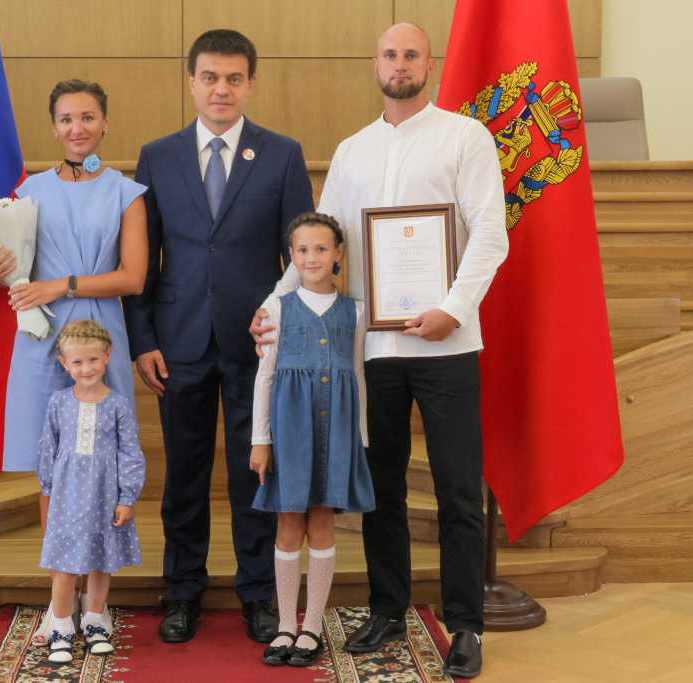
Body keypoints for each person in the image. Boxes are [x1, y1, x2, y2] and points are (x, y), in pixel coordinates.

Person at [251, 23, 508, 679]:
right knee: (381, 485)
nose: (400, 64)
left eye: (411, 54)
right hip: (369, 346)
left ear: (429, 63)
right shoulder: (353, 151)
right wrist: (273, 304)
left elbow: (490, 233)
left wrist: (454, 307)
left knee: (457, 487)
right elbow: (319, 242)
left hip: (448, 340)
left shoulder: (466, 137)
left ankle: (466, 624)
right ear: (376, 64)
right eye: (390, 55)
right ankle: (389, 607)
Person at [122, 29, 315, 644]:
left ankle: (258, 594)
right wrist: (142, 340)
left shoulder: (282, 155)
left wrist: (281, 322)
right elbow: (142, 259)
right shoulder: (158, 156)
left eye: (234, 78)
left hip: (257, 345)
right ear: (192, 82)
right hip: (176, 343)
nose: (221, 89)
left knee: (254, 472)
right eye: (210, 77)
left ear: (251, 84)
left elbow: (300, 255)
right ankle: (181, 592)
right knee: (183, 477)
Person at [0, 79, 147, 643]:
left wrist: (61, 285)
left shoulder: (127, 192)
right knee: (52, 469)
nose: (77, 128)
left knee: (103, 466)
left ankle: (97, 606)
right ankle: (60, 604)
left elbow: (133, 277)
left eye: (88, 117)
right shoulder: (28, 191)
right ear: (54, 127)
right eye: (67, 118)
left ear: (105, 122)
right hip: (41, 337)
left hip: (98, 332)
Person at [248, 212, 374, 667]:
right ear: (290, 256)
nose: (312, 257)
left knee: (322, 523)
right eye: (302, 250)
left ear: (338, 253)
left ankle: (312, 627)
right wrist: (260, 439)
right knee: (288, 525)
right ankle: (286, 623)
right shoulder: (277, 309)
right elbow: (265, 376)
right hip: (290, 433)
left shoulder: (355, 312)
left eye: (321, 249)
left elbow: (357, 375)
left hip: (336, 432)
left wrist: (359, 438)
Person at [35, 319, 146, 665]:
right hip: (67, 498)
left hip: (104, 497)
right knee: (65, 566)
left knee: (100, 563)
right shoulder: (58, 402)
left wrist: (127, 497)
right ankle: (62, 628)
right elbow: (48, 447)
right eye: (78, 362)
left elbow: (130, 452)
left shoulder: (118, 405)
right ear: (64, 363)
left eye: (93, 360)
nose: (86, 368)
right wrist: (49, 488)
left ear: (107, 357)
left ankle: (95, 622)